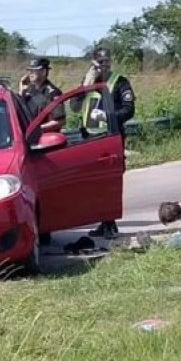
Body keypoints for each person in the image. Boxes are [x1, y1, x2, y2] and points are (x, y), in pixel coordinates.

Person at [69, 48, 136, 239]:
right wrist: (86, 84)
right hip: (89, 139)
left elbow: (129, 109)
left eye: (106, 61)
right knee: (95, 184)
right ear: (93, 62)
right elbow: (74, 107)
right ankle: (104, 221)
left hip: (110, 138)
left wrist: (108, 116)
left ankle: (110, 223)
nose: (103, 65)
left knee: (110, 183)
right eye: (99, 61)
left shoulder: (119, 82)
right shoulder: (89, 81)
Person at [19, 57, 65, 133]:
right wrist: (21, 89)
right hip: (28, 134)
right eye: (30, 70)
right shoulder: (30, 88)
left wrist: (37, 129)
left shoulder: (53, 93)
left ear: (43, 72)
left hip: (44, 139)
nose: (30, 73)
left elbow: (60, 121)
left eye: (34, 71)